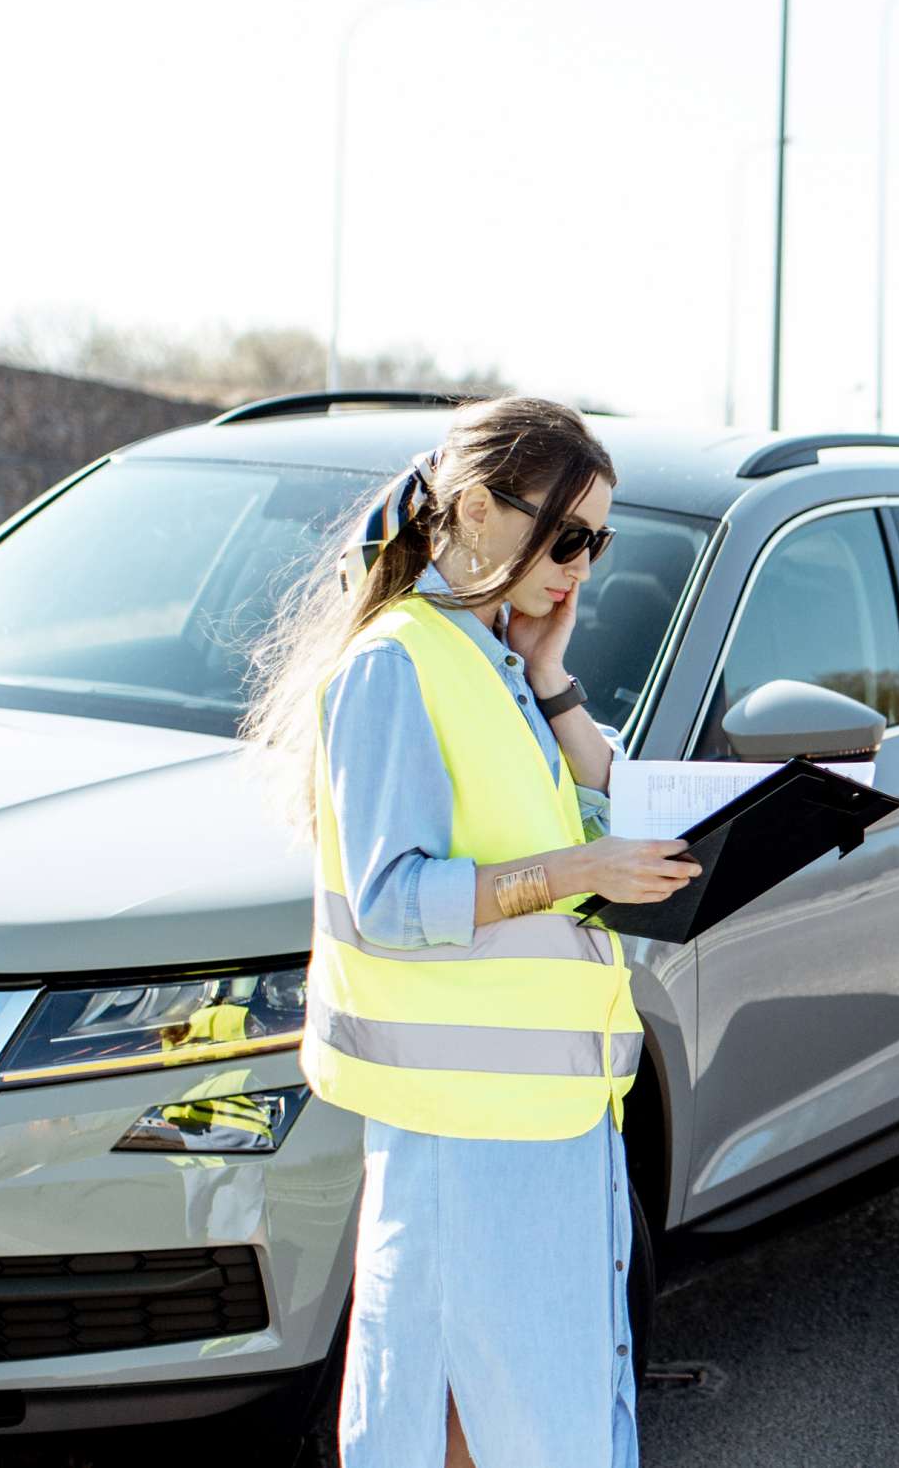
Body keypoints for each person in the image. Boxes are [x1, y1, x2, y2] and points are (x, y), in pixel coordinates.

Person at [241, 396, 701, 1467]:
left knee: (543, 1416)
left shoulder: (493, 662)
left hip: (551, 1118)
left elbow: (614, 808)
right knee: (470, 1420)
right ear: (481, 511)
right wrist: (578, 872)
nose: (583, 563)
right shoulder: (395, 663)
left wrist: (551, 679)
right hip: (466, 1128)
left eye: (600, 541)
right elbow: (394, 897)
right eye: (567, 534)